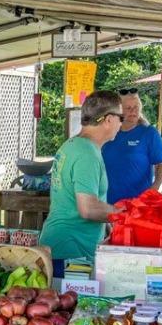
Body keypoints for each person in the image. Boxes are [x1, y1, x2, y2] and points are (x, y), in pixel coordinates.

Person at [39, 91, 125, 261]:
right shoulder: (87, 153)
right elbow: (88, 208)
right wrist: (124, 215)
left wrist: (107, 225)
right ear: (109, 119)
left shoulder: (73, 145)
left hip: (62, 244)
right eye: (120, 118)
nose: (121, 124)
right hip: (70, 251)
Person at [100, 87, 162, 204]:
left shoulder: (148, 133)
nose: (133, 111)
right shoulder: (107, 132)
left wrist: (153, 190)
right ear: (118, 111)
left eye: (136, 107)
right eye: (128, 108)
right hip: (108, 204)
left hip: (138, 205)